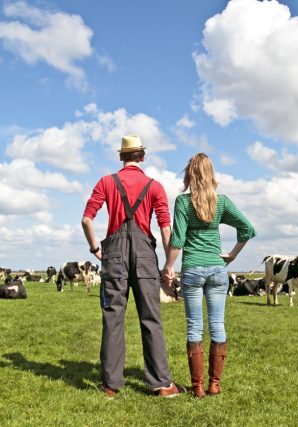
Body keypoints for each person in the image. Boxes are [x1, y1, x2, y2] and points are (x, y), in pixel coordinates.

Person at [81, 135, 185, 398]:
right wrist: (168, 264)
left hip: (113, 255)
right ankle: (162, 384)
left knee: (113, 318)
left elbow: (86, 220)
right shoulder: (154, 186)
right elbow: (164, 228)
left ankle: (111, 386)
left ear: (121, 157)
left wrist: (96, 248)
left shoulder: (106, 182)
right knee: (151, 318)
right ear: (142, 156)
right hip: (145, 256)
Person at [162, 153, 256, 398]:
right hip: (217, 269)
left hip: (192, 269)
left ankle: (199, 387)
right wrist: (232, 255)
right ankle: (215, 384)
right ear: (211, 174)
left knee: (194, 327)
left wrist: (168, 266)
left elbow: (178, 239)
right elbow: (247, 228)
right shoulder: (221, 202)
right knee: (217, 325)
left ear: (190, 174)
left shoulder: (183, 203)